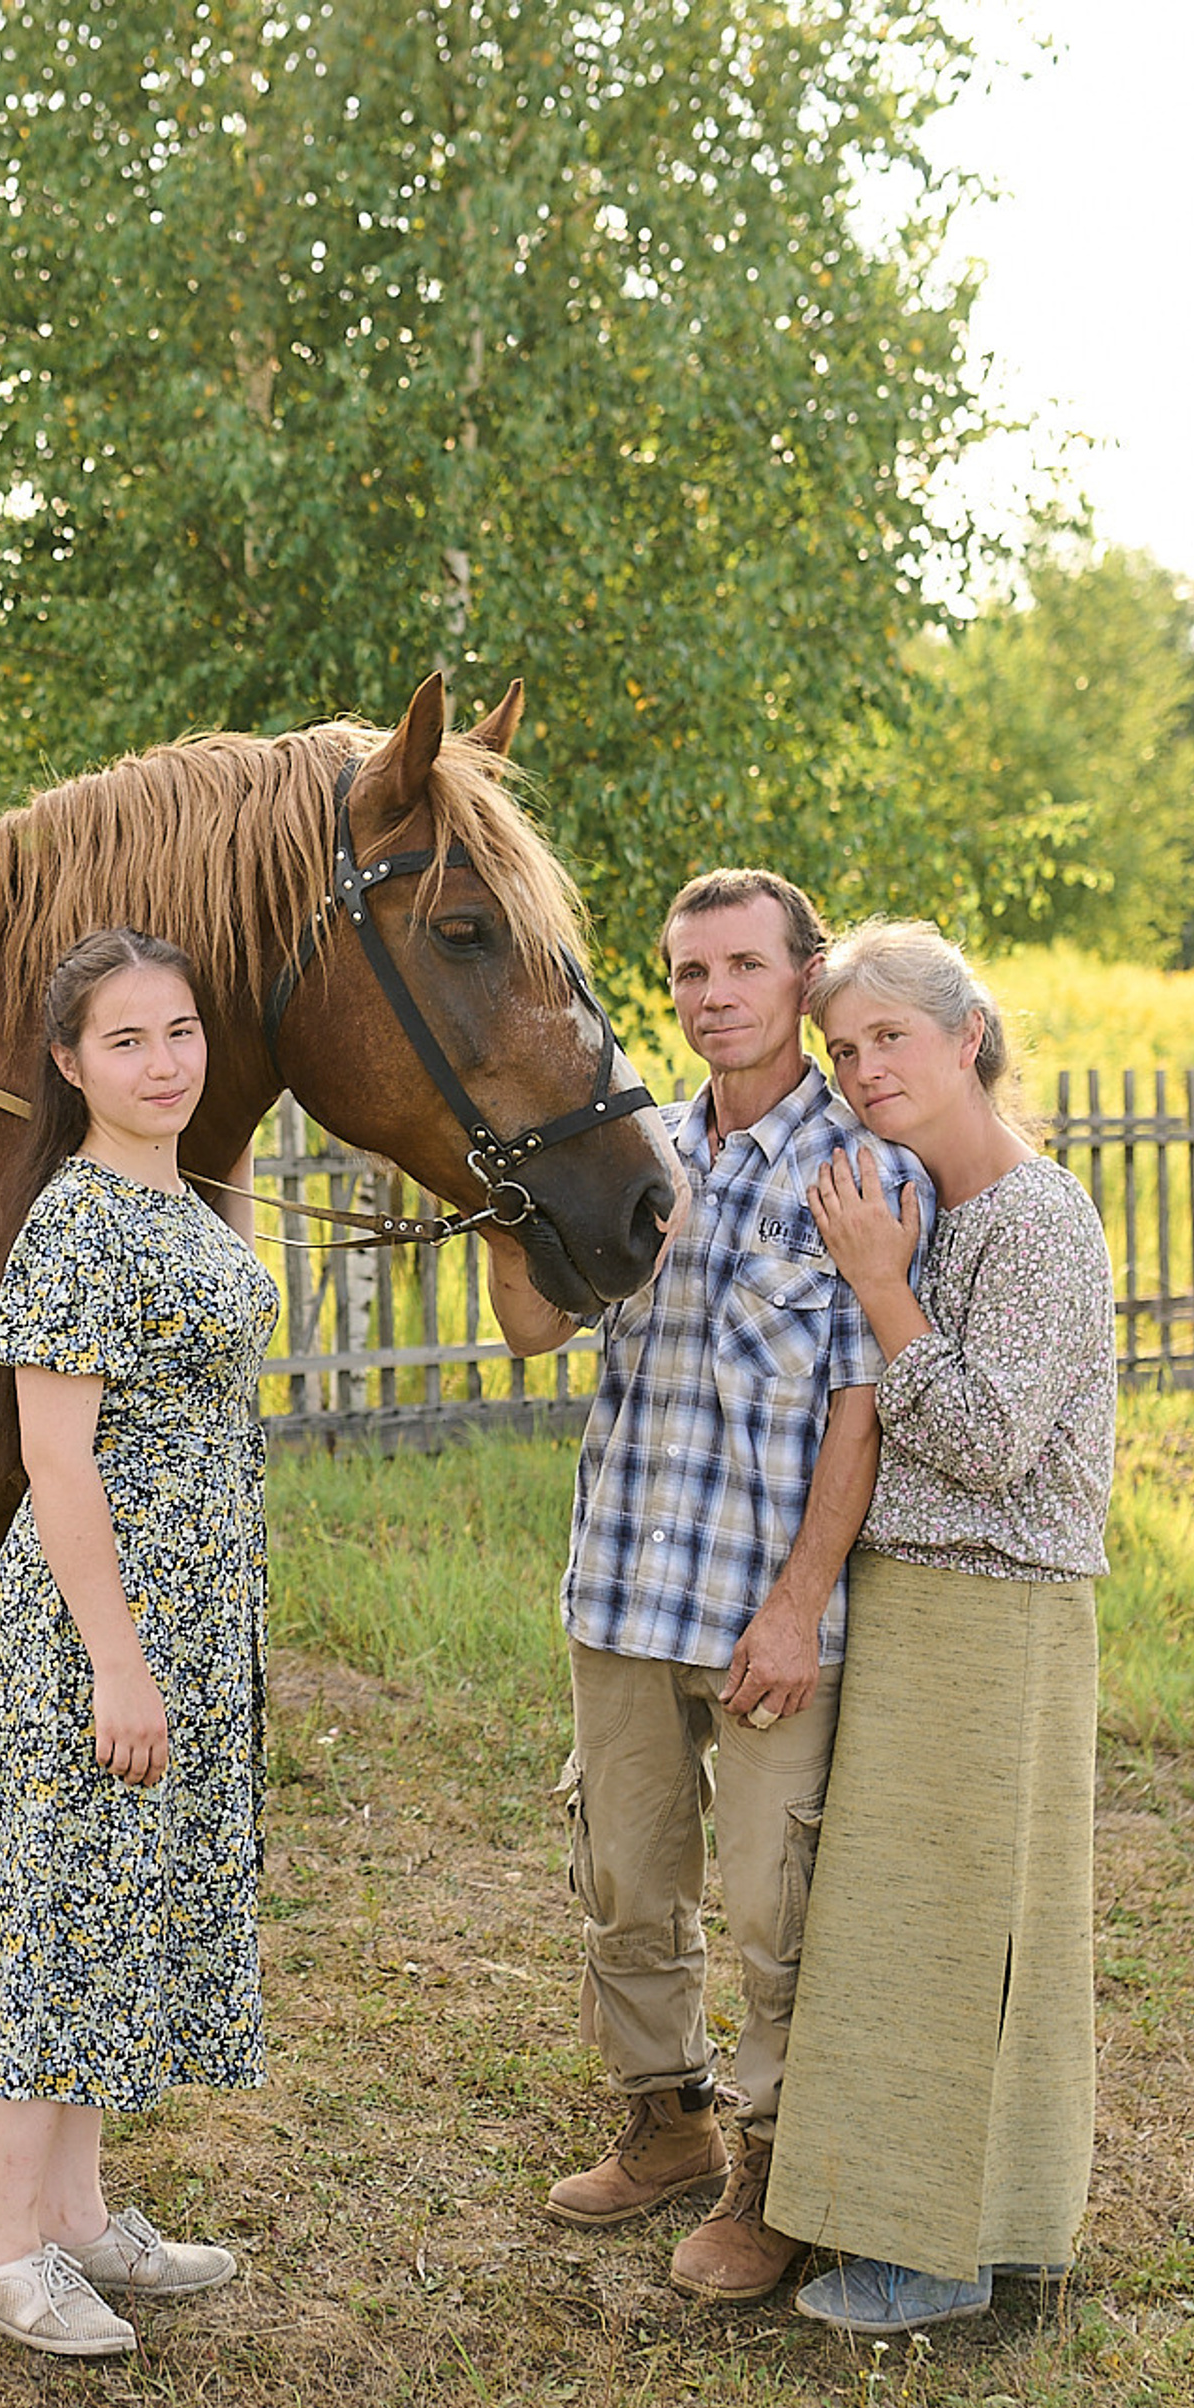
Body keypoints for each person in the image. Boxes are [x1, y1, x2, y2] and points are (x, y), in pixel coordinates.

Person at [546, 869, 928, 2304]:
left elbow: (863, 1411)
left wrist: (798, 1604)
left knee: (777, 1903)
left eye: (742, 967)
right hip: (623, 1585)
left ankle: (774, 2171)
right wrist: (498, 1201)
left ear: (802, 977)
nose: (712, 996)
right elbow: (533, 1326)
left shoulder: (863, 1171)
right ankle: (668, 2123)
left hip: (766, 1606)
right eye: (688, 971)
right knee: (623, 1875)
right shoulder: (634, 1150)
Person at [0, 927, 279, 2358]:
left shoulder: (179, 1199)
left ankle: (71, 2215)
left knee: (111, 1910)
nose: (163, 1062)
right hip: (99, 1618)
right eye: (125, 1040)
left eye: (179, 1031)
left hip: (187, 1613)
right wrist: (117, 1662)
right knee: (53, 1912)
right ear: (70, 1066)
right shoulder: (76, 1221)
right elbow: (56, 1461)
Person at [767, 922, 1113, 2334]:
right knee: (911, 1927)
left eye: (889, 1039)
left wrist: (880, 1287)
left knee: (966, 1933)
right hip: (920, 1602)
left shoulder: (1035, 1218)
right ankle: (958, 2225)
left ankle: (946, 2254)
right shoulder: (935, 1206)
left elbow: (986, 1442)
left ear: (967, 1037)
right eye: (842, 1050)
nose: (862, 1071)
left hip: (998, 1610)